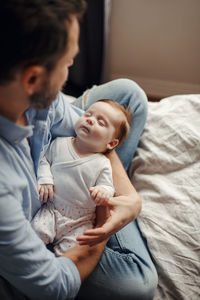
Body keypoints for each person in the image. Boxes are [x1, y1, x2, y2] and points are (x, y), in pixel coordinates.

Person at [0, 1, 158, 300]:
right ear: (33, 79)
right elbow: (53, 286)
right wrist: (103, 220)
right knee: (136, 284)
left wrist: (130, 199)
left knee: (129, 95)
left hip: (70, 162)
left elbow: (89, 134)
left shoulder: (37, 99)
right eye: (68, 63)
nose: (70, 71)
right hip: (48, 216)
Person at [32, 99, 131, 255]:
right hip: (52, 210)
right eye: (88, 114)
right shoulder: (59, 144)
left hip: (80, 221)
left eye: (101, 122)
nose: (90, 119)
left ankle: (55, 266)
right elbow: (44, 159)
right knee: (35, 232)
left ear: (111, 143)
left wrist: (103, 192)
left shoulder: (102, 163)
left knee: (73, 250)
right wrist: (45, 178)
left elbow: (108, 187)